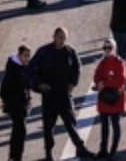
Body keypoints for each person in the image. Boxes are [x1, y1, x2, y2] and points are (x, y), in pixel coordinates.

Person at [31, 27, 90, 160]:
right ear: (54, 37)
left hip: (64, 94)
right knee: (48, 127)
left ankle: (80, 148)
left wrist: (73, 83)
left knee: (70, 123)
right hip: (49, 94)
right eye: (59, 37)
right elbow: (31, 68)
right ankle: (48, 153)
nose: (62, 40)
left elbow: (77, 67)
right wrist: (39, 84)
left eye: (64, 38)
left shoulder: (70, 52)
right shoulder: (44, 52)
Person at [93, 38, 126, 160]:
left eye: (109, 48)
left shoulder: (120, 62)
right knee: (104, 126)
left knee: (115, 125)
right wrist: (98, 82)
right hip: (105, 98)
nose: (107, 50)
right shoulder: (102, 62)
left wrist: (104, 83)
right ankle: (103, 150)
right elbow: (96, 76)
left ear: (115, 49)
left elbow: (121, 80)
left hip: (115, 99)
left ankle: (113, 150)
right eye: (105, 48)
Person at [0, 45, 34, 161]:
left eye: (28, 56)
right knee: (20, 130)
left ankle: (13, 156)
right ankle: (16, 156)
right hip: (15, 105)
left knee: (17, 130)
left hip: (22, 104)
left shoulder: (24, 68)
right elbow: (5, 88)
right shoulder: (14, 69)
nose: (27, 58)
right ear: (19, 56)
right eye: (25, 56)